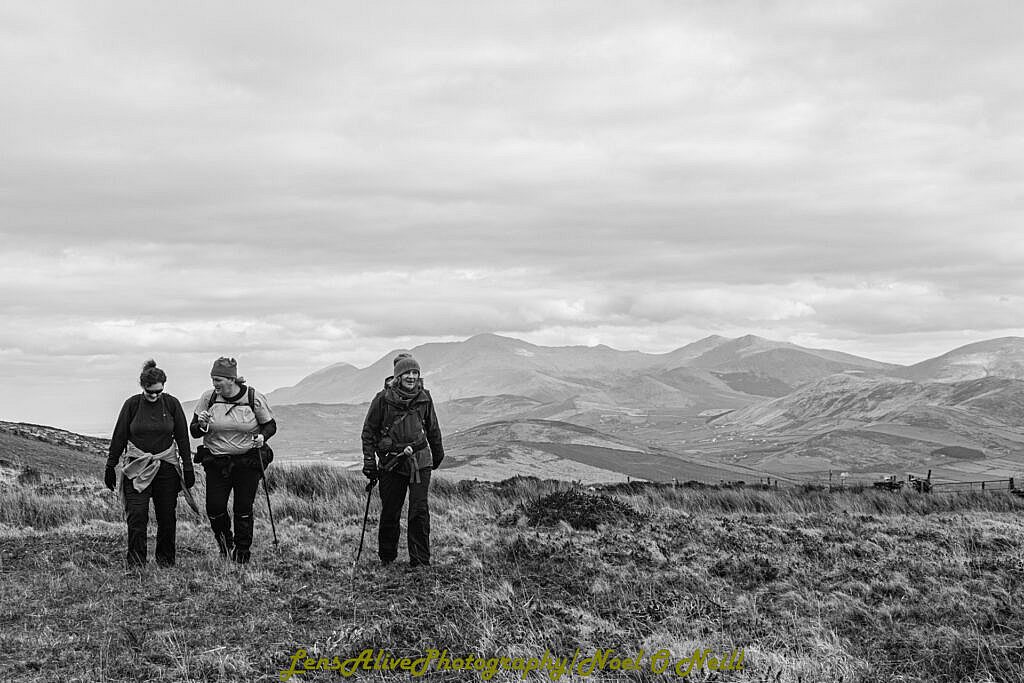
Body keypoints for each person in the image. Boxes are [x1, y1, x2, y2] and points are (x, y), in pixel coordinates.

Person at [105, 359, 196, 568]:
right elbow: (119, 436)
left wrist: (188, 468)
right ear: (142, 387)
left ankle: (166, 561)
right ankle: (136, 563)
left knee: (167, 517)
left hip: (165, 468)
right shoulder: (132, 404)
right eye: (150, 392)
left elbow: (182, 437)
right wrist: (110, 466)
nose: (154, 396)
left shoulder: (172, 404)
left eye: (159, 392)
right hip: (137, 467)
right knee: (137, 516)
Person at [361, 353, 445, 568]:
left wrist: (437, 454)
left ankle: (420, 560)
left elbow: (432, 428)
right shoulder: (382, 399)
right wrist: (369, 462)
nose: (411, 376)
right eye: (407, 372)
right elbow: (369, 431)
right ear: (398, 376)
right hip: (393, 462)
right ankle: (387, 557)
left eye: (415, 372)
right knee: (391, 510)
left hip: (419, 460)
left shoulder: (425, 398)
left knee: (419, 510)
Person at [190, 357, 277, 564]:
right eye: (212, 379)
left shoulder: (253, 397)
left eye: (218, 379)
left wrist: (262, 437)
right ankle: (225, 545)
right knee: (214, 507)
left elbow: (270, 425)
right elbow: (193, 431)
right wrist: (201, 424)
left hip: (247, 462)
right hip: (216, 461)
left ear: (232, 379)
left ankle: (242, 553)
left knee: (243, 508)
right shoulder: (208, 398)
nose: (214, 384)